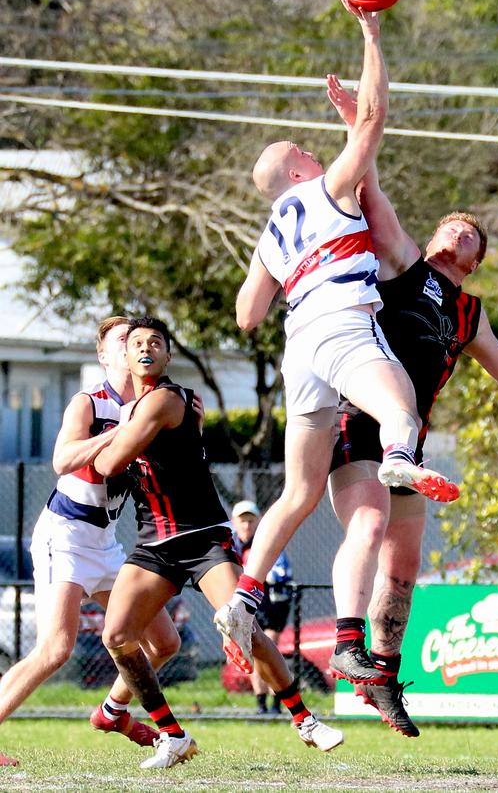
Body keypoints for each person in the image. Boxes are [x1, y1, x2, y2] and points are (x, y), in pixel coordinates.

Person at [322, 75, 498, 736]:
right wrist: (357, 127)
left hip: (408, 441)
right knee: (365, 527)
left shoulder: (469, 311)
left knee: (406, 563)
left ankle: (382, 676)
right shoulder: (403, 264)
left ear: (475, 258)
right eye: (449, 223)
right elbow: (368, 191)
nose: (455, 229)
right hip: (361, 415)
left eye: (467, 231)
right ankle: (347, 640)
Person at [215, 0, 459, 680]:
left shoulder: (270, 230)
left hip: (300, 348)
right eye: (303, 151)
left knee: (297, 491)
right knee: (402, 408)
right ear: (298, 171)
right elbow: (376, 118)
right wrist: (371, 36)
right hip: (342, 319)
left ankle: (243, 594)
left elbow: (245, 315)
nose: (314, 151)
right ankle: (399, 459)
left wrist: (278, 268)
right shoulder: (327, 187)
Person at [94, 317, 343, 770]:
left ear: (169, 356)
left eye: (156, 343)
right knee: (116, 635)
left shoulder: (167, 400)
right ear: (124, 356)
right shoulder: (133, 408)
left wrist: (86, 443)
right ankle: (172, 734)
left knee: (242, 626)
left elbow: (110, 462)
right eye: (136, 344)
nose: (146, 348)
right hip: (154, 541)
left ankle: (305, 719)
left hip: (203, 536)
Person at [0, 316, 181, 769]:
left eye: (138, 340)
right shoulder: (89, 402)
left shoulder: (151, 404)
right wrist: (125, 431)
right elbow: (62, 458)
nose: (131, 346)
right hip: (64, 534)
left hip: (106, 542)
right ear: (103, 355)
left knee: (164, 642)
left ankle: (112, 712)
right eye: (121, 340)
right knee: (55, 649)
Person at [230, 500, 293, 714]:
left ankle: (277, 703)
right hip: (248, 602)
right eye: (242, 521)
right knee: (254, 653)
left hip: (272, 602)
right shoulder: (231, 545)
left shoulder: (266, 542)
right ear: (234, 523)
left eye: (250, 520)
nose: (247, 525)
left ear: (257, 522)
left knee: (268, 649)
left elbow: (279, 573)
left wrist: (249, 571)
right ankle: (261, 705)